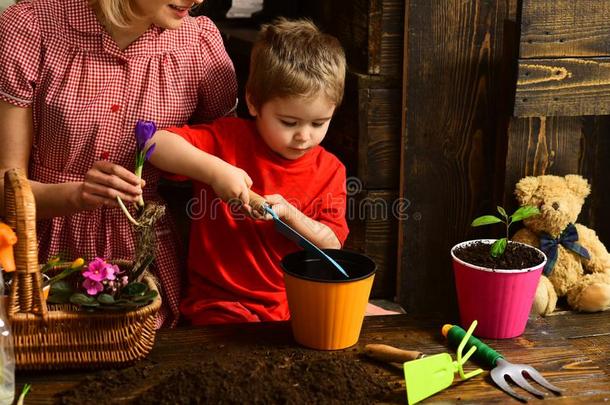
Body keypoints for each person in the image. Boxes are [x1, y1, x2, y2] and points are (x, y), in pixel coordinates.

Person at [0, 0, 238, 327]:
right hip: (37, 260)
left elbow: (226, 165)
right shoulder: (33, 25)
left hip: (145, 269)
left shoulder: (199, 44)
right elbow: (5, 187)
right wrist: (76, 196)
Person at [147, 18, 349, 325]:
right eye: (289, 123)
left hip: (291, 307)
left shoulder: (330, 170)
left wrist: (290, 216)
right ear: (254, 102)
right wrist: (216, 171)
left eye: (319, 123)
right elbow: (153, 143)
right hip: (218, 304)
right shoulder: (228, 139)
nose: (304, 136)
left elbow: (332, 244)